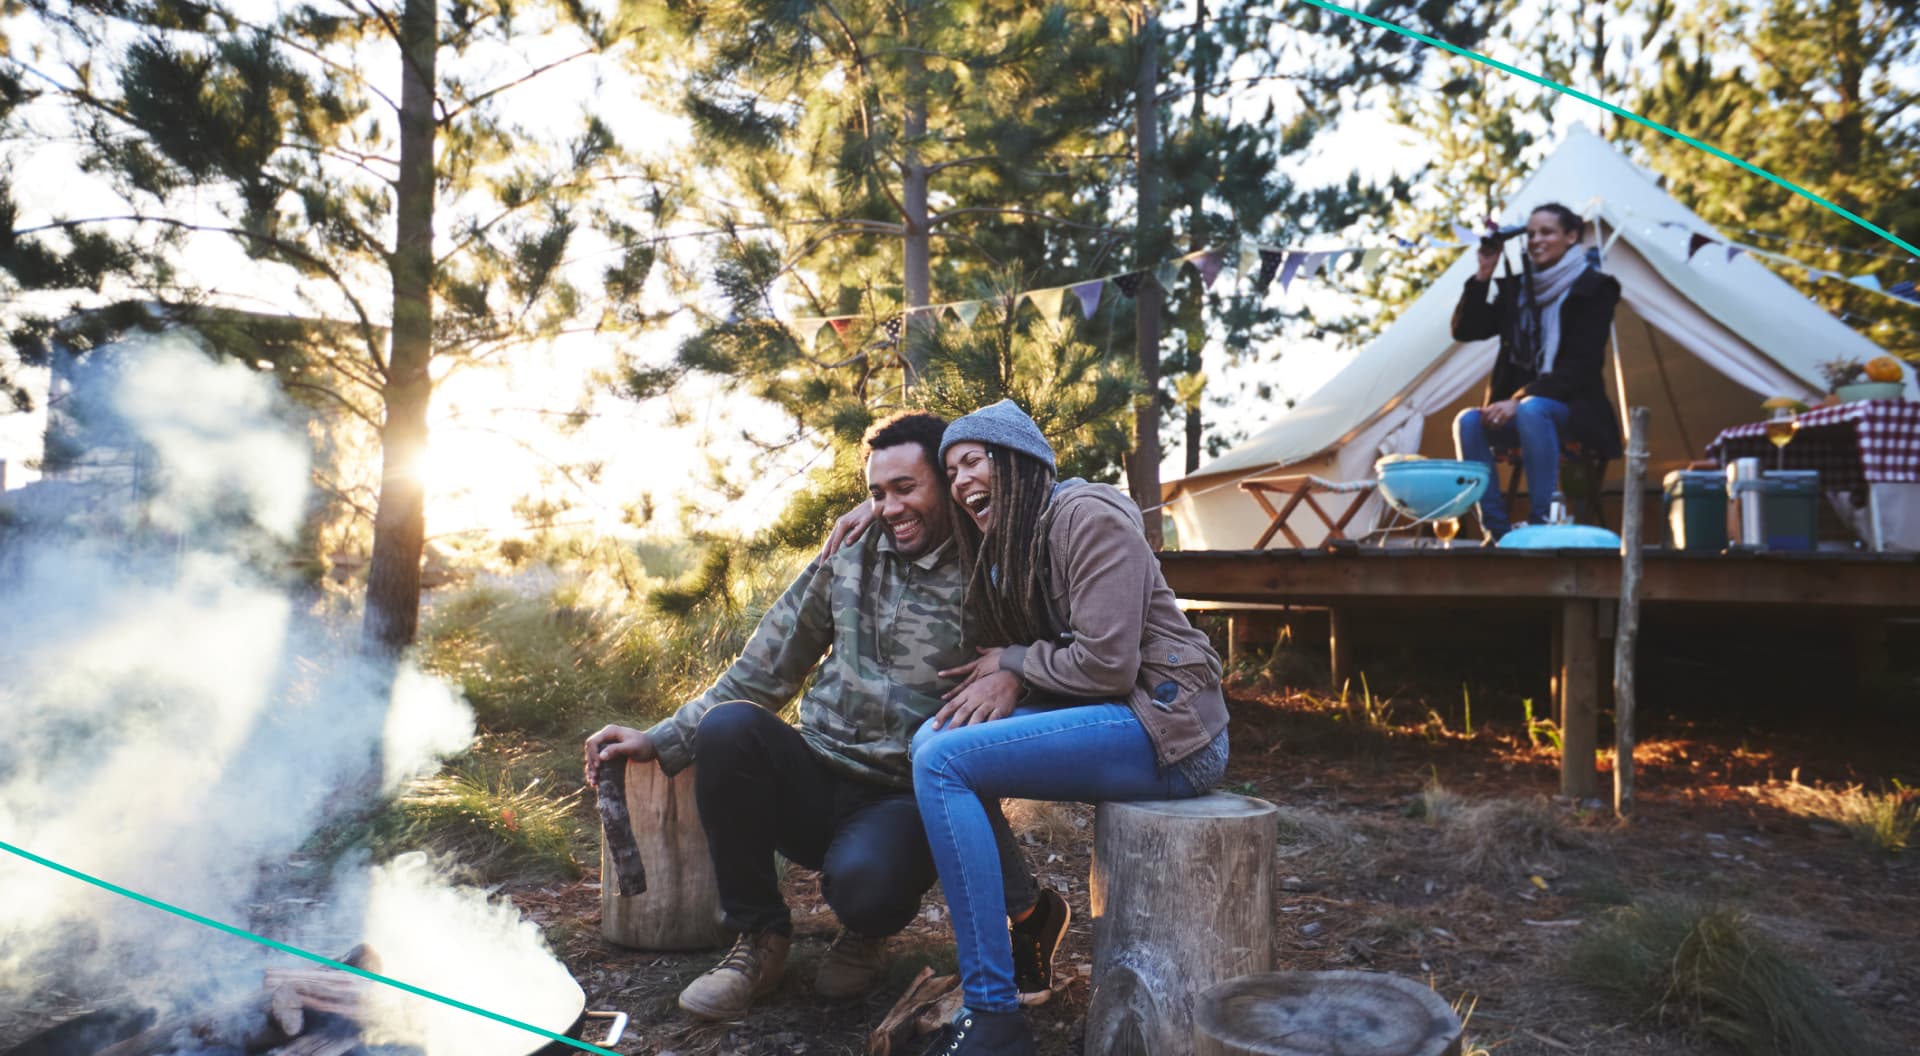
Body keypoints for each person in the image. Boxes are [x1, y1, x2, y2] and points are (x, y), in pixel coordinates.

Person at [583, 412, 1067, 1023]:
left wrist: (1016, 669)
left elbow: (1053, 621)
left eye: (906, 488)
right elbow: (766, 665)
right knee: (729, 727)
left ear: (947, 485)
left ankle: (865, 931)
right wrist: (657, 739)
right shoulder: (850, 550)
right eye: (876, 493)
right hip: (816, 769)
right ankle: (759, 939)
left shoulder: (994, 565)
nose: (890, 508)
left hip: (905, 795)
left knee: (863, 887)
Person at [914, 400, 1231, 1055]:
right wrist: (866, 509)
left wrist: (1013, 663)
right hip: (1122, 716)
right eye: (950, 471)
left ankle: (993, 1014)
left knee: (943, 763)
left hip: (1168, 734)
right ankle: (1031, 916)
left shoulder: (1087, 516)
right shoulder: (1013, 538)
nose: (960, 479)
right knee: (929, 743)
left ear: (1019, 463)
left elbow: (1109, 666)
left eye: (973, 460)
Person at [1452, 202, 1622, 540]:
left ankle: (1541, 525)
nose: (1535, 240)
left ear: (1571, 236)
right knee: (1467, 421)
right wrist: (1484, 273)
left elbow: (1582, 364)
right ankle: (1497, 531)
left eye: (1547, 232)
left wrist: (1520, 399)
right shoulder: (1517, 289)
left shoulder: (1596, 287)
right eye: (1530, 234)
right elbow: (1466, 329)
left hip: (1574, 410)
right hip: (1524, 411)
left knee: (1533, 410)